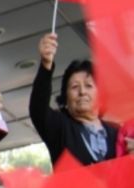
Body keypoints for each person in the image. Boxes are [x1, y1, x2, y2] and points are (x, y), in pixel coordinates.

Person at [29, 32, 120, 165]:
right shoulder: (60, 128)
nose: (82, 92)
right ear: (65, 98)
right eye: (75, 87)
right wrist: (46, 65)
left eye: (89, 85)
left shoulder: (117, 133)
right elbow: (38, 108)